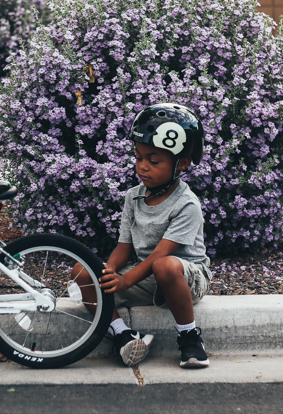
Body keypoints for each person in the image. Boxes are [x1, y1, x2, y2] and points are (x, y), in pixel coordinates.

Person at [74, 103, 212, 368]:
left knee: (164, 265)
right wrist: (110, 271)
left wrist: (125, 282)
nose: (142, 167)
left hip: (184, 276)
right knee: (82, 271)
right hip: (143, 275)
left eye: (154, 160)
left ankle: (189, 337)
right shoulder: (133, 196)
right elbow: (124, 246)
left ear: (181, 163)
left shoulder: (187, 204)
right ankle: (123, 334)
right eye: (138, 158)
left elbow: (162, 254)